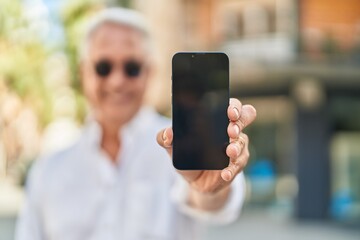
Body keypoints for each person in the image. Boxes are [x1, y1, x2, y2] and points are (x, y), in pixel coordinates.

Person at [15, 7, 257, 240]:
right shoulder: (47, 172)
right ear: (84, 73)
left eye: (131, 68)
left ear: (149, 72)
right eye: (103, 67)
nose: (117, 81)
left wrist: (213, 185)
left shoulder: (179, 141)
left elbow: (212, 202)